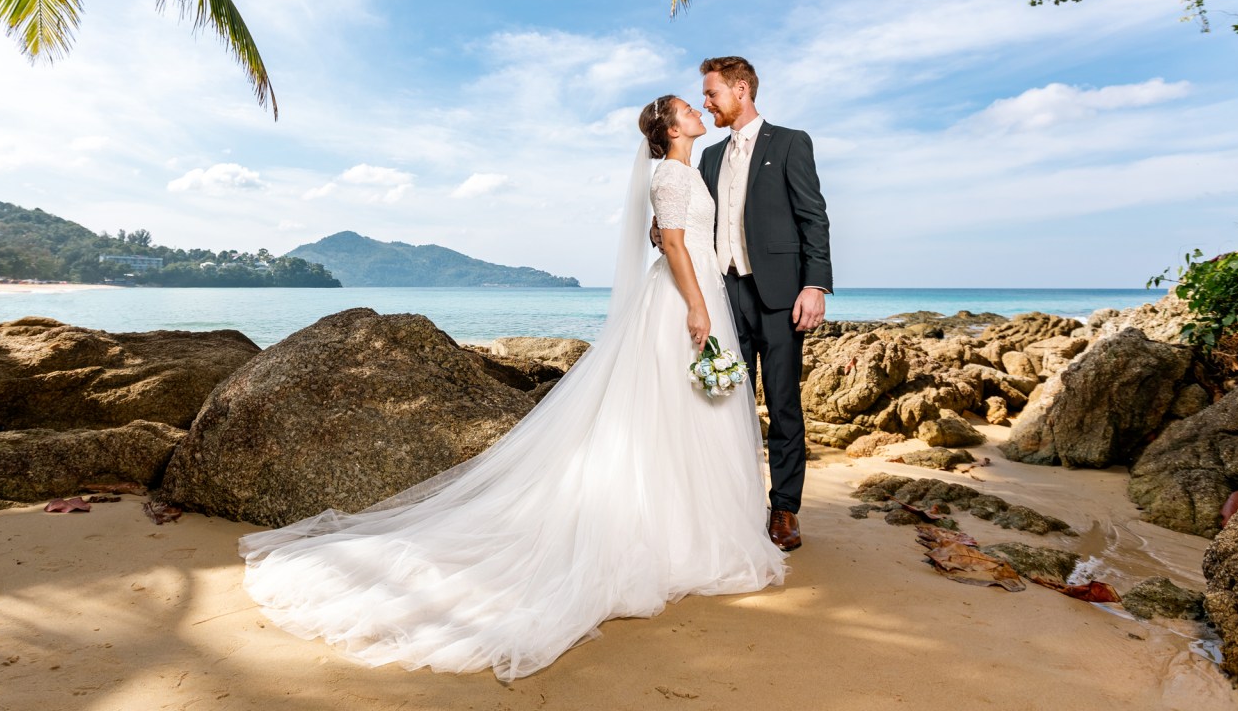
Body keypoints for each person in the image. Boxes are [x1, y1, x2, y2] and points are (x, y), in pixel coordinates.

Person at [238, 95, 785, 681]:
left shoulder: (683, 171)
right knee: (671, 412)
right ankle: (674, 533)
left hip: (690, 291)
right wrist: (698, 307)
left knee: (686, 416)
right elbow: (675, 244)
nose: (699, 112)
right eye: (689, 109)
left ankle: (689, 525)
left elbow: (677, 237)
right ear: (673, 128)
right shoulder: (672, 175)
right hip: (683, 300)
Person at [698, 56, 832, 552]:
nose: (706, 102)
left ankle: (785, 510)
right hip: (725, 292)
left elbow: (813, 218)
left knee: (782, 404)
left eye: (712, 93)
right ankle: (731, 502)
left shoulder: (791, 142)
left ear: (741, 89)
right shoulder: (709, 156)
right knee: (726, 402)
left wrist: (814, 286)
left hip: (779, 294)